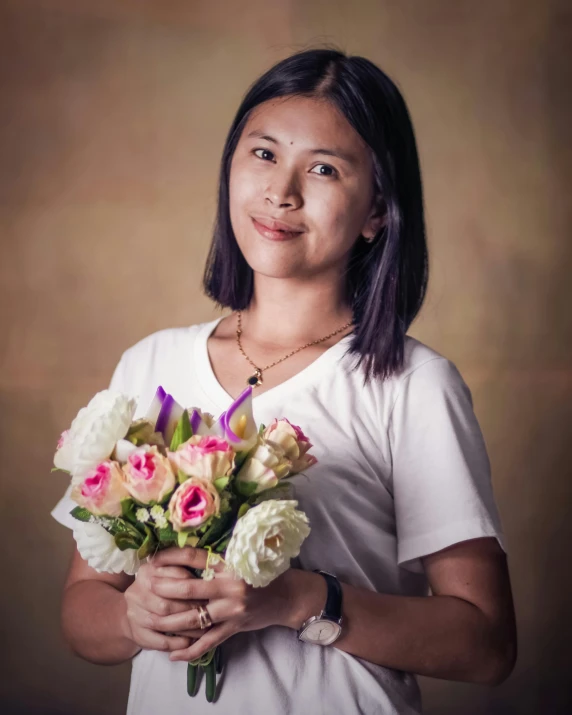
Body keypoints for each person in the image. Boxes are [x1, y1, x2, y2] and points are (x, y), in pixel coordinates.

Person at [51, 48, 517, 714]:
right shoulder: (148, 364)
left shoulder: (413, 384)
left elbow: (488, 643)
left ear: (378, 210)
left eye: (324, 168)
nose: (282, 192)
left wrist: (301, 599)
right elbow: (81, 607)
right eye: (264, 154)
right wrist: (133, 617)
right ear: (230, 167)